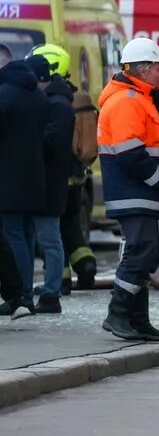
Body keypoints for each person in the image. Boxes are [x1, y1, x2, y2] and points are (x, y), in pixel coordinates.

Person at [97, 37, 159, 341]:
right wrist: (158, 179)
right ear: (142, 69)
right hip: (135, 189)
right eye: (156, 66)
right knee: (141, 250)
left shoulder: (137, 97)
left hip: (138, 191)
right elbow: (129, 152)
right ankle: (118, 314)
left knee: (146, 252)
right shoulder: (127, 99)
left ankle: (138, 319)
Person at [29, 43, 99, 292]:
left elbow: (51, 139)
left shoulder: (53, 101)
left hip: (57, 176)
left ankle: (61, 279)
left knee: (53, 231)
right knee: (70, 225)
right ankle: (86, 262)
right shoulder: (75, 96)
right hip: (77, 175)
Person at [22, 53, 75, 313]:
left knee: (50, 239)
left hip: (49, 183)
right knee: (45, 239)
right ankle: (48, 288)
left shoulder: (57, 105)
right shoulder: (56, 101)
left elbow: (53, 141)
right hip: (47, 182)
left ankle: (52, 292)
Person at [0, 43, 42, 319]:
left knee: (12, 236)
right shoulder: (35, 93)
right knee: (25, 235)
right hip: (35, 173)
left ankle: (22, 295)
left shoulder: (4, 94)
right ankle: (24, 293)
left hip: (8, 175)